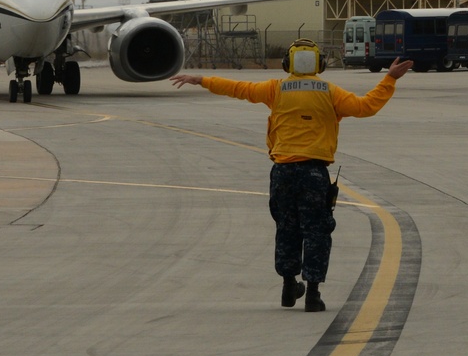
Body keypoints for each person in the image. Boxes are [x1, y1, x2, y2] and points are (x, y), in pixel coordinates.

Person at [170, 39, 414, 312]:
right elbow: (366, 106)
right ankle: (312, 293)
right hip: (314, 172)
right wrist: (389, 79)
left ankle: (288, 286)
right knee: (316, 232)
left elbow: (238, 88)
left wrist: (200, 79)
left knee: (286, 228)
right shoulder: (331, 92)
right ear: (319, 64)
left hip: (282, 172)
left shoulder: (276, 89)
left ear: (288, 64)